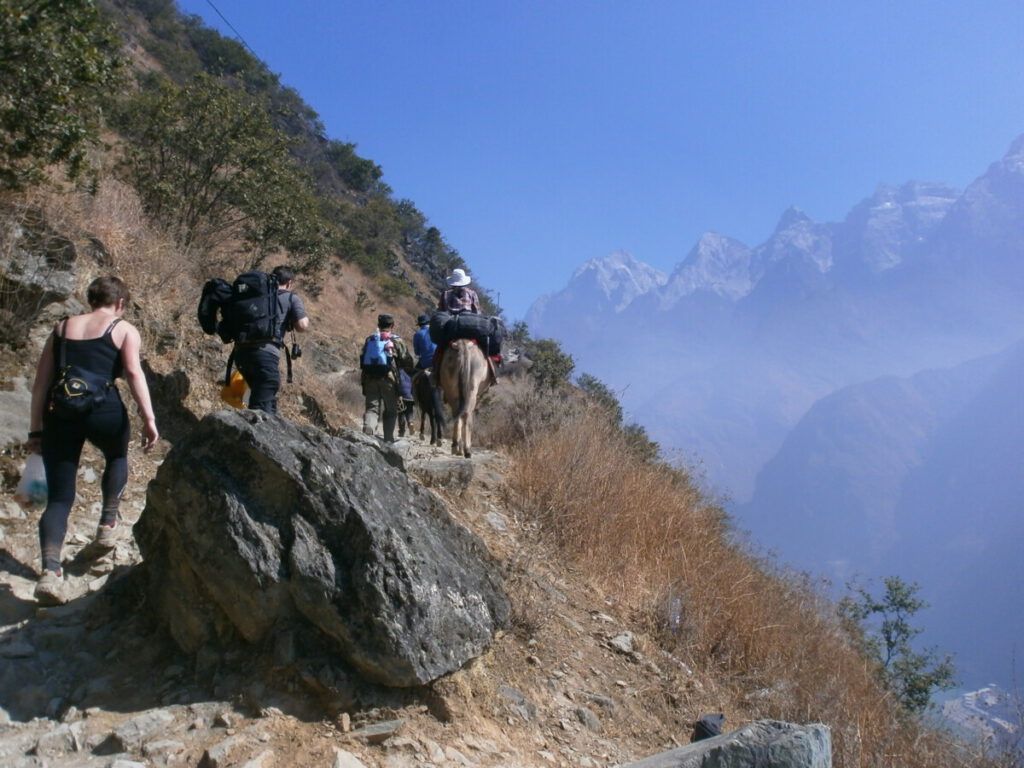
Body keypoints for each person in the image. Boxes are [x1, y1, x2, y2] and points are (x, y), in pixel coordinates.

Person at [27, 276, 159, 605]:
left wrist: (35, 430)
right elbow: (132, 372)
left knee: (59, 498)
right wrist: (149, 418)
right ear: (120, 303)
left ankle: (50, 572)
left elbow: (41, 384)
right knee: (116, 457)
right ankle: (108, 523)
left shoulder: (61, 329)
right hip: (104, 409)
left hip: (60, 412)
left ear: (91, 299)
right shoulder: (123, 328)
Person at [231, 265, 309, 414]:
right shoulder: (291, 297)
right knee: (264, 398)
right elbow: (302, 326)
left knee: (266, 398)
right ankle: (251, 433)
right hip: (265, 354)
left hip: (241, 353)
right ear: (290, 283)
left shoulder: (257, 296)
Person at [360, 313, 414, 442]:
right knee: (391, 410)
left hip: (370, 378)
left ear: (378, 325)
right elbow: (407, 360)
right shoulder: (396, 340)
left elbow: (362, 359)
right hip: (389, 379)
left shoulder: (370, 339)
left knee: (372, 409)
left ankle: (368, 431)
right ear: (392, 326)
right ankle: (388, 439)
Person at [397, 368, 415, 438]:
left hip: (402, 396)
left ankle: (401, 432)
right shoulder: (411, 372)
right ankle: (410, 422)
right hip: (410, 396)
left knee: (401, 413)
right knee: (409, 411)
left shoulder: (399, 371)